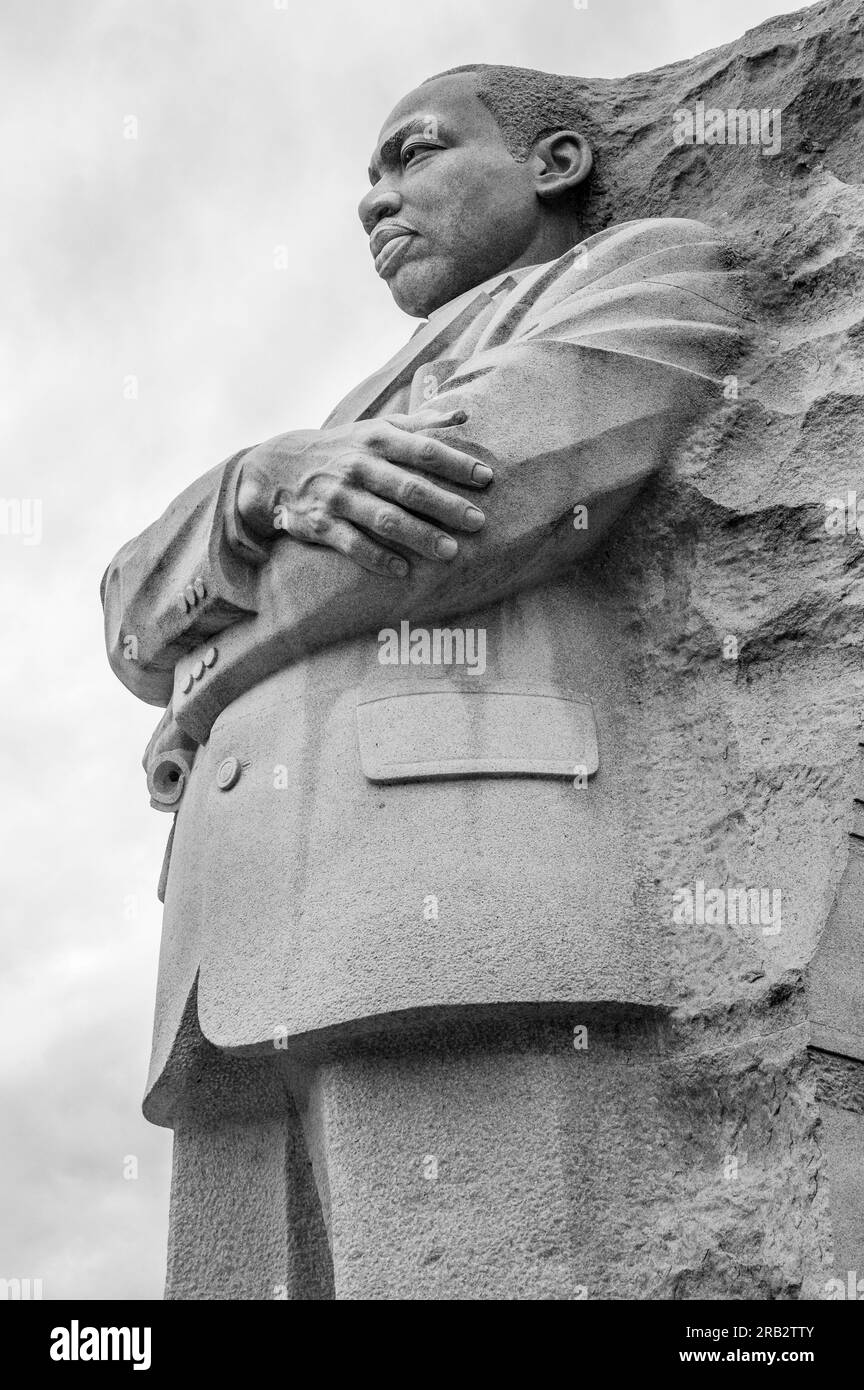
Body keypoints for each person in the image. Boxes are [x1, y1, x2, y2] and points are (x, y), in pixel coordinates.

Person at [102, 64, 750, 1299]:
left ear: (555, 163)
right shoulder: (341, 417)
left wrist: (199, 681)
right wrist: (257, 480)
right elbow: (123, 616)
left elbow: (478, 500)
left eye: (413, 154)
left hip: (448, 926)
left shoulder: (647, 273)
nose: (372, 201)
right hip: (229, 952)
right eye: (364, 177)